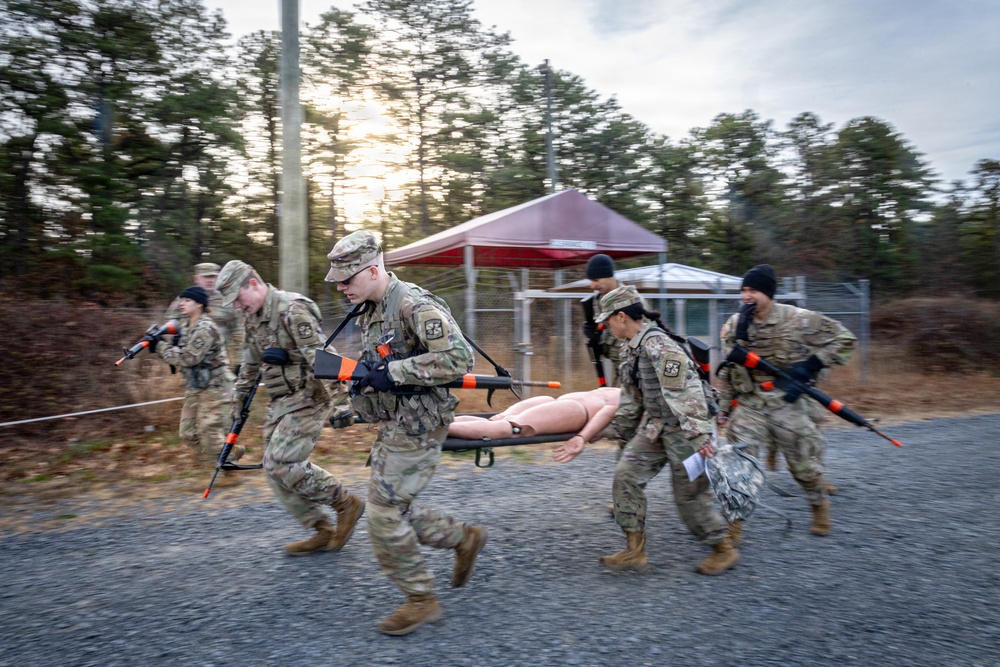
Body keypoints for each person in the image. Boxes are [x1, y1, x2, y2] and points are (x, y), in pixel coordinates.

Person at [326, 230, 488, 637]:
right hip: (396, 422)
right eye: (339, 281)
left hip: (421, 426)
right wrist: (355, 409)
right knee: (392, 510)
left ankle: (421, 599)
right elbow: (378, 368)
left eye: (347, 279)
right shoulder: (371, 307)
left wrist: (395, 373)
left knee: (381, 515)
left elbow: (457, 358)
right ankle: (462, 538)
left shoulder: (413, 304)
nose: (341, 288)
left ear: (373, 269)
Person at [555, 285, 739, 576]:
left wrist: (701, 436)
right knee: (625, 475)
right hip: (657, 426)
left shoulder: (659, 345)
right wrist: (607, 431)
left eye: (608, 320)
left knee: (689, 498)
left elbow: (686, 392)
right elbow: (631, 401)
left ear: (622, 317)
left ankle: (723, 547)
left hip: (685, 431)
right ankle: (634, 551)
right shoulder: (633, 347)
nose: (605, 326)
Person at [214, 260, 366, 556]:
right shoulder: (253, 318)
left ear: (254, 285)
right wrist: (237, 407)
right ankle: (321, 529)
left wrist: (340, 402)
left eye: (238, 299)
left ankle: (345, 503)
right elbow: (249, 366)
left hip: (310, 396)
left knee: (280, 462)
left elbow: (323, 359)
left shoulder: (291, 309)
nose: (236, 307)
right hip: (282, 400)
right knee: (273, 470)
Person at [717, 264, 856, 537]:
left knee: (803, 466)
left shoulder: (799, 319)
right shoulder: (734, 324)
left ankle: (819, 505)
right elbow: (728, 372)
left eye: (753, 290)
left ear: (768, 293)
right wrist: (723, 410)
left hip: (786, 403)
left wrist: (812, 364)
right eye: (743, 290)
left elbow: (846, 339)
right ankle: (733, 529)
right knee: (737, 466)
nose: (746, 296)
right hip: (751, 404)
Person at [153, 285, 241, 481]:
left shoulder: (205, 328)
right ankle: (230, 456)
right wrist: (159, 342)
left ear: (199, 304)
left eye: (187, 300)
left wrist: (159, 346)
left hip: (216, 387)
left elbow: (188, 358)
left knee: (208, 431)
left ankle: (230, 469)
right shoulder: (185, 326)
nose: (182, 304)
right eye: (182, 300)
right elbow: (178, 357)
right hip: (196, 386)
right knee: (187, 434)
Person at [449, 387, 621, 449]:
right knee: (510, 428)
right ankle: (440, 425)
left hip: (560, 403)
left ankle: (440, 423)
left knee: (499, 422)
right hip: (574, 410)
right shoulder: (636, 392)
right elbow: (609, 410)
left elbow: (609, 411)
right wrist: (583, 437)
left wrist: (585, 435)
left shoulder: (622, 389)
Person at [167, 263, 244, 367]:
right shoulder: (184, 299)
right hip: (189, 358)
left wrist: (240, 362)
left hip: (217, 361)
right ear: (196, 278)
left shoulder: (228, 300)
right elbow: (170, 324)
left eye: (213, 276)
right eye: (206, 276)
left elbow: (238, 333)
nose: (210, 280)